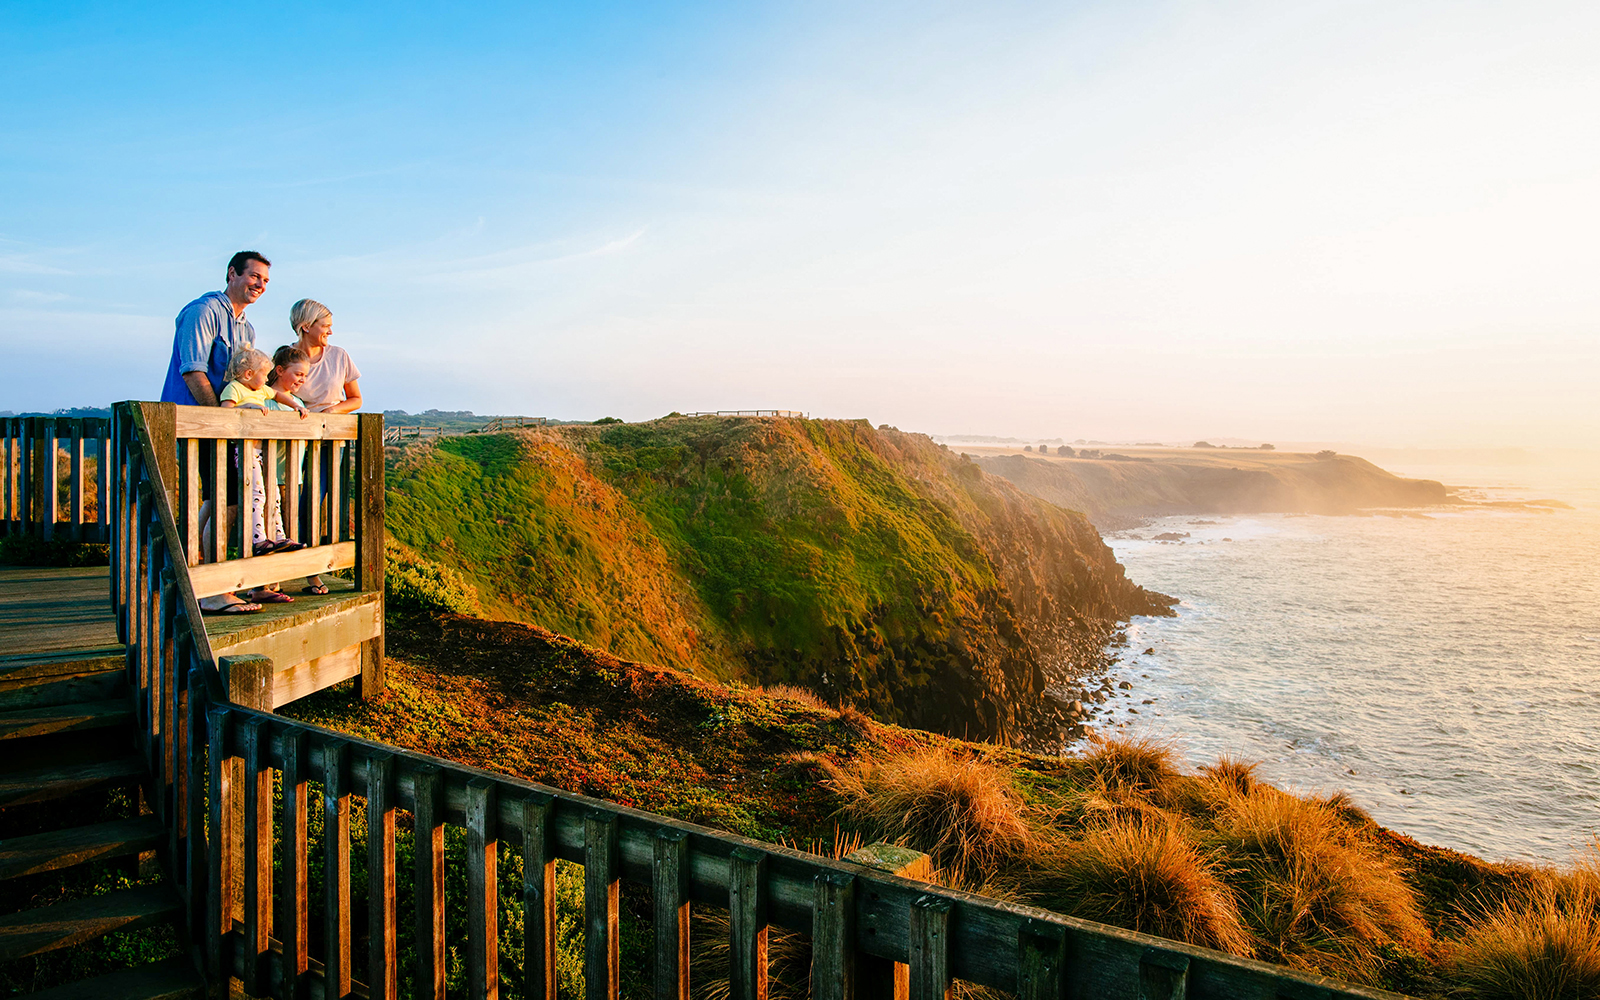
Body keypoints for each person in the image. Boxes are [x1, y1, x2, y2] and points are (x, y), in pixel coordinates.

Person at [160, 252, 272, 614]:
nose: (260, 285)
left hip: (223, 427)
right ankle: (211, 591)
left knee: (214, 502)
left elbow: (244, 381)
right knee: (227, 502)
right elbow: (193, 371)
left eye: (265, 281)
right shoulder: (203, 311)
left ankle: (194, 579)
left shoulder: (246, 329)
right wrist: (220, 421)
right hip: (196, 422)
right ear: (231, 274)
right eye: (254, 276)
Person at [286, 299, 363, 594]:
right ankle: (292, 568)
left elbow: (355, 399)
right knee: (296, 504)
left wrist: (332, 413)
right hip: (295, 441)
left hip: (331, 441)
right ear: (306, 326)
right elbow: (272, 392)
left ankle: (315, 572)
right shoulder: (286, 356)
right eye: (325, 325)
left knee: (320, 503)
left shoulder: (339, 356)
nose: (331, 331)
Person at [218, 347, 308, 578]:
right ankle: (258, 539)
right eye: (264, 374)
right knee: (256, 493)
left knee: (271, 494)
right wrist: (246, 408)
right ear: (248, 374)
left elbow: (279, 395)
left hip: (260, 451)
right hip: (244, 451)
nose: (267, 379)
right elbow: (225, 412)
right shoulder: (235, 389)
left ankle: (278, 536)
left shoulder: (260, 390)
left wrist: (296, 405)